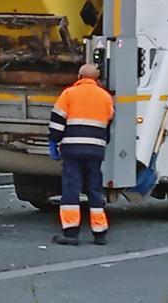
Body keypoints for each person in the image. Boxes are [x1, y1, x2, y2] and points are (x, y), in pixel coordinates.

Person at [48, 63, 114, 246]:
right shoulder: (105, 97)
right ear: (97, 79)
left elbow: (57, 122)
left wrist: (54, 142)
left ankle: (71, 233)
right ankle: (99, 233)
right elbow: (108, 122)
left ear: (79, 76)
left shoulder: (69, 94)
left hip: (73, 150)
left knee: (71, 188)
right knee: (95, 189)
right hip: (95, 151)